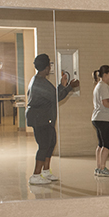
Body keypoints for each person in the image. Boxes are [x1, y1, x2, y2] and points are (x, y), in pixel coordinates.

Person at [26, 53, 80, 185]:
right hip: (41, 118)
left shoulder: (39, 80)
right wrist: (69, 87)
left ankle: (45, 171)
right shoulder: (40, 82)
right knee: (44, 145)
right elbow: (56, 97)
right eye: (49, 65)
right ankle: (35, 175)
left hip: (44, 118)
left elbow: (53, 95)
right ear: (46, 68)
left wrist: (63, 85)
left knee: (51, 143)